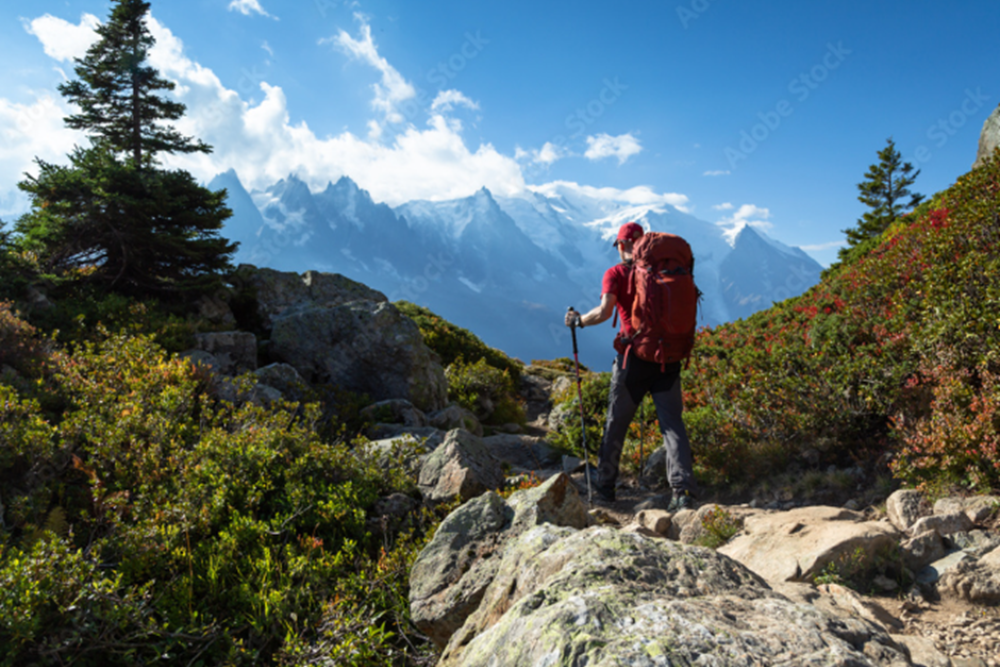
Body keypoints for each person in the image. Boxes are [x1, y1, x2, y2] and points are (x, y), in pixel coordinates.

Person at [565, 221, 699, 511]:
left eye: (618, 245)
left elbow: (604, 312)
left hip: (633, 360)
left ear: (623, 245)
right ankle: (683, 492)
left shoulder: (615, 273)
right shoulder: (669, 270)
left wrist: (578, 320)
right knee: (673, 426)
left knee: (616, 424)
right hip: (669, 359)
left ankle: (605, 487)